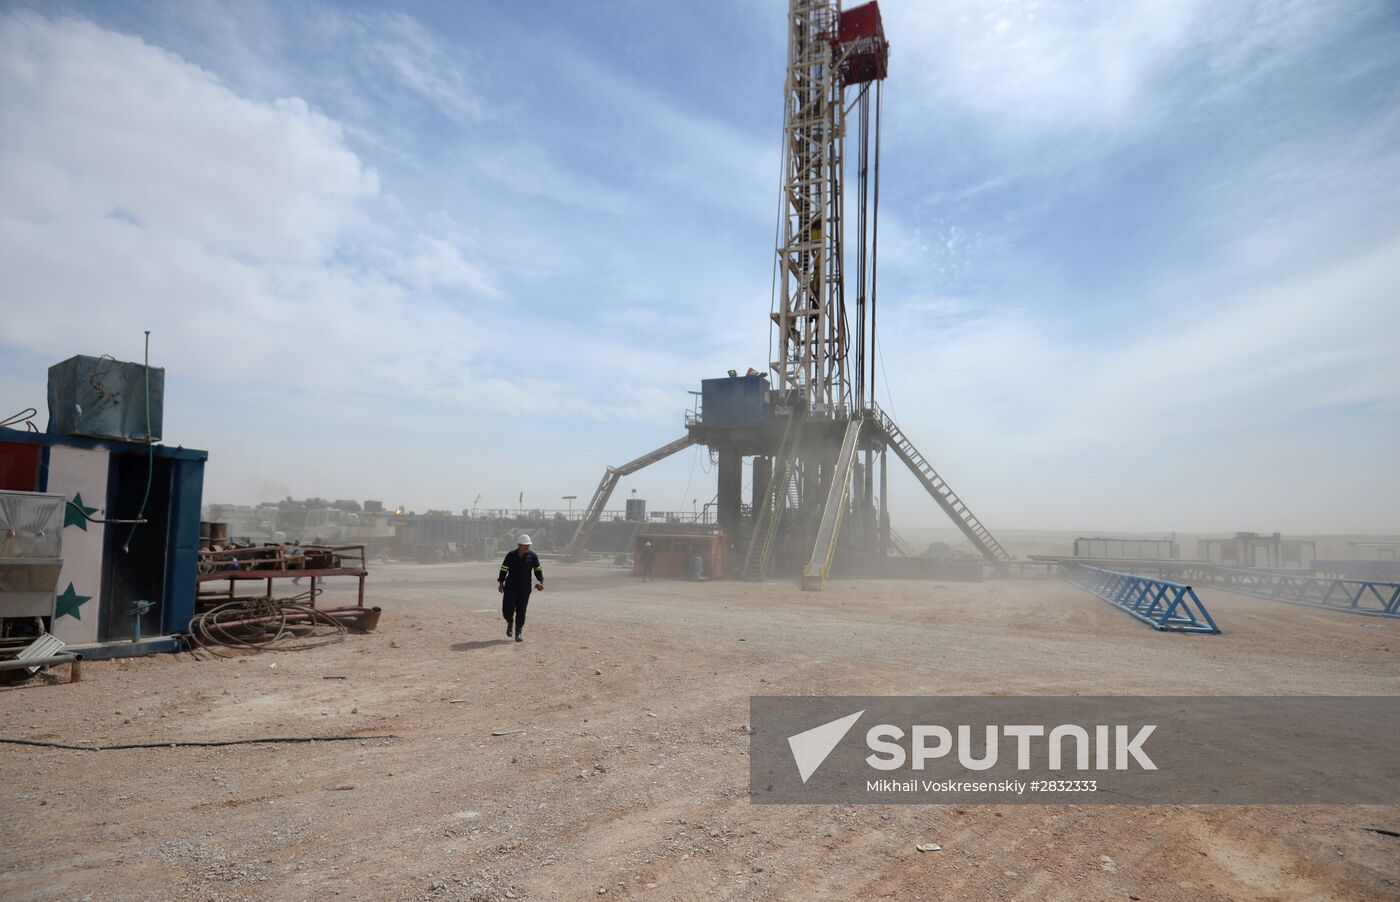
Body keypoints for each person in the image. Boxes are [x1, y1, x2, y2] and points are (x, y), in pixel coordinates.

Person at [498, 534, 543, 642]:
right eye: (525, 545)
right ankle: (510, 622)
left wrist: (541, 582)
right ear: (519, 545)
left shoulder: (533, 556)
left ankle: (518, 632)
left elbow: (537, 569)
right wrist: (501, 582)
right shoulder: (510, 555)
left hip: (525, 588)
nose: (527, 547)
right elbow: (504, 569)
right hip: (510, 587)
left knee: (521, 610)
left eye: (528, 545)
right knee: (507, 610)